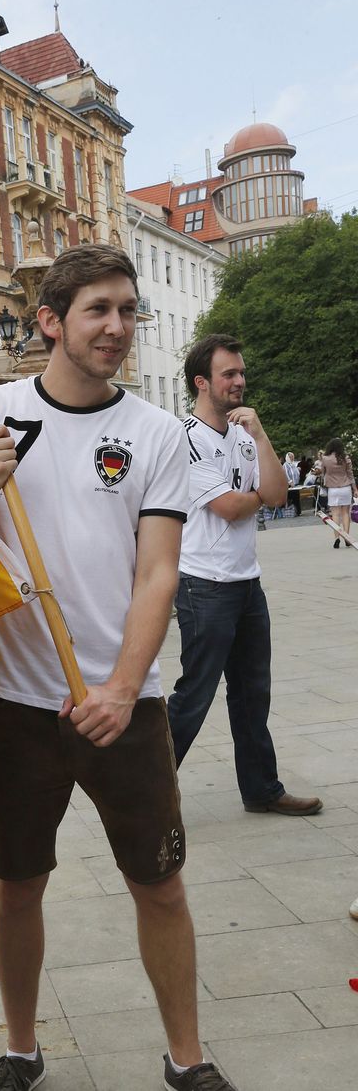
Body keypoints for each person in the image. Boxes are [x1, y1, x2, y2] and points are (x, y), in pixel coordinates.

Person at [0, 244, 239, 1091]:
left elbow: (158, 572)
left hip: (125, 703)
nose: (117, 328)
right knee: (17, 885)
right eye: (97, 310)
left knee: (162, 885)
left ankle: (187, 1056)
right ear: (50, 322)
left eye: (127, 310)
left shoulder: (155, 433)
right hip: (16, 702)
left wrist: (120, 687)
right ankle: (22, 1046)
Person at [167, 335, 321, 819]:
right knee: (194, 693)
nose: (239, 381)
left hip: (246, 583)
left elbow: (278, 495)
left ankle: (262, 789)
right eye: (229, 374)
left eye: (241, 372)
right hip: (203, 584)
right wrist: (255, 494)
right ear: (202, 382)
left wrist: (261, 436)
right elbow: (230, 507)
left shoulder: (244, 435)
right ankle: (143, 791)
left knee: (253, 692)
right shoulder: (183, 439)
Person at [320, 437, 356, 547]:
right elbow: (350, 475)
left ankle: (337, 538)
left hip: (333, 489)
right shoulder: (345, 458)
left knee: (335, 514)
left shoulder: (325, 458)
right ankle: (347, 538)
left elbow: (323, 473)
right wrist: (355, 488)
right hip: (345, 488)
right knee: (345, 513)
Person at [283, 451, 301, 517]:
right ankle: (292, 511)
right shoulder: (285, 465)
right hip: (290, 485)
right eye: (291, 457)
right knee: (292, 498)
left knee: (297, 498)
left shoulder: (293, 464)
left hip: (296, 484)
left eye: (293, 457)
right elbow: (286, 474)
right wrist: (290, 482)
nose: (292, 458)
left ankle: (298, 511)